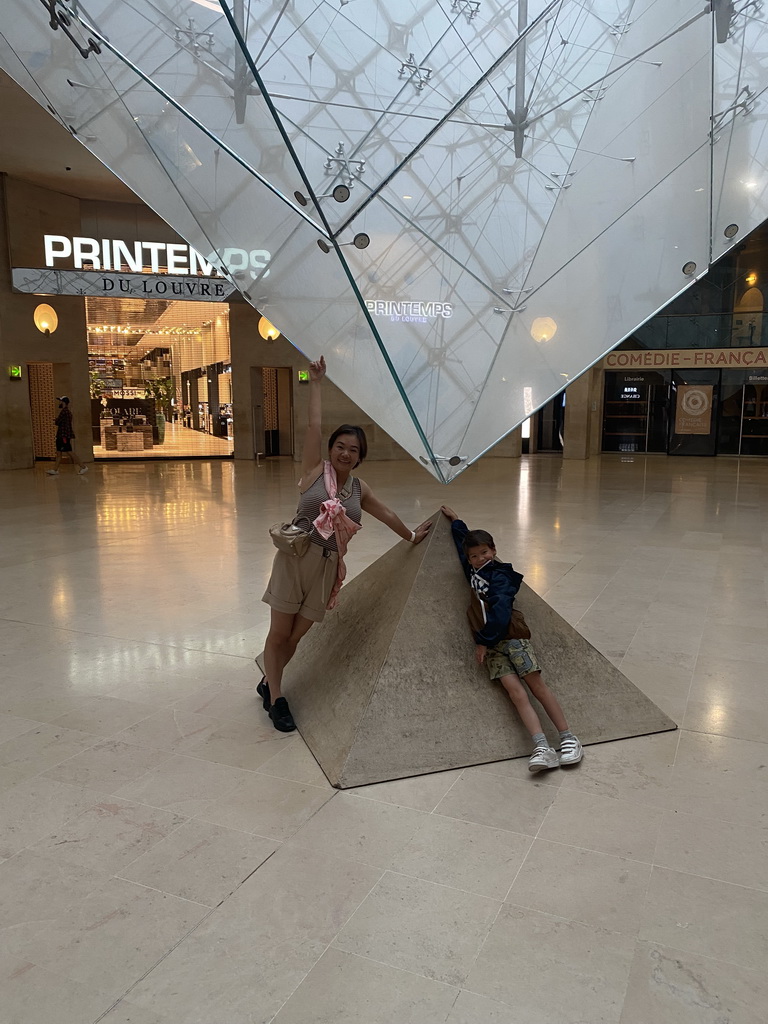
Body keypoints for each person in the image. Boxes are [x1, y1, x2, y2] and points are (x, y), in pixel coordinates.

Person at [258, 356, 431, 732]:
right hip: (295, 559)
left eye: (353, 450)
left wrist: (413, 536)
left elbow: (384, 513)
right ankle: (276, 698)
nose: (345, 453)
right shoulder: (312, 471)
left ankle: (269, 678)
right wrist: (317, 383)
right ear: (331, 447)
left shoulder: (357, 488)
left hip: (326, 568)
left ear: (360, 457)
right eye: (340, 445)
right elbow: (313, 425)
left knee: (296, 637)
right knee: (278, 634)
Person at [441, 506, 583, 773]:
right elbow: (463, 552)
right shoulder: (473, 572)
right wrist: (457, 521)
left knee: (537, 687)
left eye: (484, 552)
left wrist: (482, 640)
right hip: (494, 648)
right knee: (516, 694)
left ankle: (568, 738)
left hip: (512, 640)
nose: (479, 558)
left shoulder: (501, 575)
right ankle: (541, 746)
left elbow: (501, 610)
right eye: (474, 555)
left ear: (493, 550)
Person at [47, 397, 88, 476]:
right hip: (63, 435)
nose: (59, 403)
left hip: (63, 435)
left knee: (69, 451)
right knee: (59, 452)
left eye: (60, 402)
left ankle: (83, 467)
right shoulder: (67, 412)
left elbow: (58, 422)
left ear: (63, 402)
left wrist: (55, 420)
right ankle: (55, 470)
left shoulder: (64, 412)